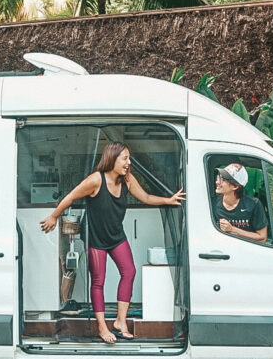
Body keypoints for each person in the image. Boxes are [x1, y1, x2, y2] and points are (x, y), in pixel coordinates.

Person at [40, 142, 185, 343]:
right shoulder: (95, 180)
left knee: (129, 272)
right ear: (112, 158)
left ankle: (120, 321)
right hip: (97, 239)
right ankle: (102, 327)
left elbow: (144, 196)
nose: (128, 162)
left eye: (129, 158)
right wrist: (54, 216)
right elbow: (71, 196)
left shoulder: (127, 179)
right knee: (98, 282)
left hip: (116, 236)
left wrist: (168, 200)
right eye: (124, 158)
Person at [213, 162, 268, 242]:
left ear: (235, 186)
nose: (217, 182)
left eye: (223, 180)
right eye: (219, 178)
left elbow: (262, 237)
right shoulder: (213, 203)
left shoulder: (253, 204)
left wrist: (232, 229)